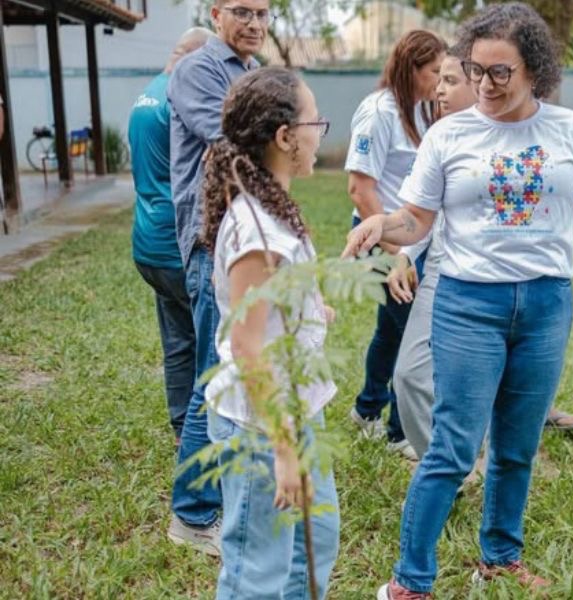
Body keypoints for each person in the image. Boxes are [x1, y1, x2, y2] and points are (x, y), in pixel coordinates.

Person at [343, 4, 573, 596]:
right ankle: (408, 582)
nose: (485, 85)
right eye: (475, 70)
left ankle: (499, 556)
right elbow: (416, 219)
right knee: (452, 446)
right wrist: (380, 227)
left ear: (534, 71)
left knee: (517, 445)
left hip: (546, 306)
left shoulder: (570, 130)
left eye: (501, 73)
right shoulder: (449, 134)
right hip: (468, 305)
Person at [392, 49, 573, 462]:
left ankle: (491, 448)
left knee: (511, 387)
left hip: (520, 287)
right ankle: (450, 461)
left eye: (450, 80)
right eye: (441, 80)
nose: (439, 90)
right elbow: (419, 214)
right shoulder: (443, 135)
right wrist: (405, 253)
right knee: (409, 374)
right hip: (449, 272)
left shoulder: (552, 129)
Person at [200, 66, 339, 600]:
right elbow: (246, 345)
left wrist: (311, 305)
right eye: (315, 122)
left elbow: (276, 297)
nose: (318, 133)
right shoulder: (256, 227)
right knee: (257, 569)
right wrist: (283, 449)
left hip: (299, 407)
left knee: (314, 539)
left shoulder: (274, 205)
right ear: (285, 137)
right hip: (262, 424)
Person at [167, 0, 268, 555]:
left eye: (263, 12)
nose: (254, 22)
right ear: (215, 12)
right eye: (242, 11)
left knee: (232, 370)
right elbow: (235, 144)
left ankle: (219, 494)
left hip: (244, 240)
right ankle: (192, 513)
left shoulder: (248, 72)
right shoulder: (199, 70)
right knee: (214, 379)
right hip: (212, 241)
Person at [344, 30, 446, 461]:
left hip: (410, 240)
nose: (440, 81)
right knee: (413, 336)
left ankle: (367, 409)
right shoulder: (379, 112)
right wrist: (395, 256)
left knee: (392, 329)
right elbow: (360, 189)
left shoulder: (423, 110)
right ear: (412, 69)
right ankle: (399, 431)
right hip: (381, 239)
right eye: (435, 72)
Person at [129, 27, 214, 444]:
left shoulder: (146, 94)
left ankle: (182, 426)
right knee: (211, 344)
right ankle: (204, 432)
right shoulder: (182, 97)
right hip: (178, 243)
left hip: (146, 241)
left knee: (177, 340)